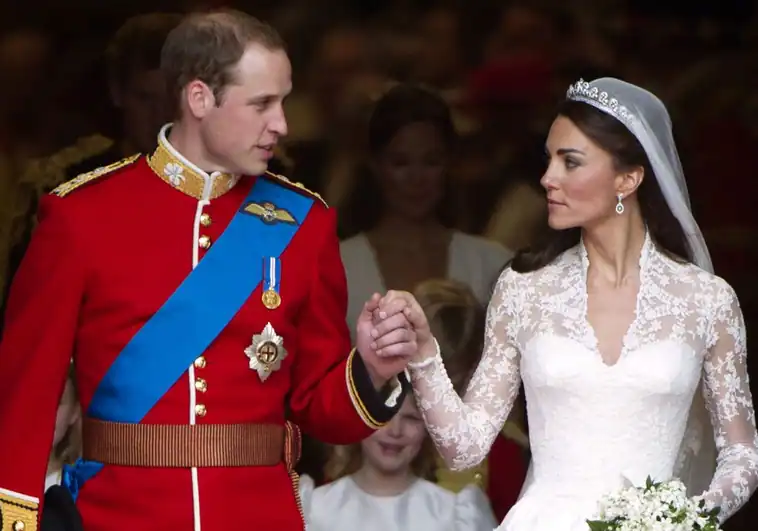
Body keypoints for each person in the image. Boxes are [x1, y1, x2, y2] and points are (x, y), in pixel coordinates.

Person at [0, 9, 417, 531]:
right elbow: (24, 401)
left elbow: (320, 408)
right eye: (262, 103)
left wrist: (373, 368)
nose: (283, 124)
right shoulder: (81, 216)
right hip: (119, 517)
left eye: (283, 101)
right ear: (200, 99)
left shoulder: (303, 224)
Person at [372, 78, 758, 529]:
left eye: (570, 162)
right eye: (549, 158)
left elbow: (742, 454)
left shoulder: (707, 300)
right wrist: (423, 355)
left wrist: (687, 518)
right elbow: (464, 448)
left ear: (628, 179)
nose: (547, 178)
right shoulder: (523, 290)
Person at [299, 394, 497, 531]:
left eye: (411, 418)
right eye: (384, 414)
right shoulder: (315, 509)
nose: (395, 431)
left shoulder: (453, 515)